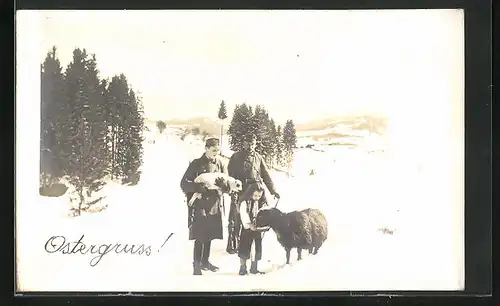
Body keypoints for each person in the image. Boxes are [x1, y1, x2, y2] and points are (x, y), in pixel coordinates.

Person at [226, 133, 280, 254]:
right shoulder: (236, 157)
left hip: (255, 193)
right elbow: (230, 176)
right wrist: (233, 190)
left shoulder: (258, 158)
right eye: (248, 143)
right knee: (236, 218)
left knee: (254, 217)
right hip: (240, 191)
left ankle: (250, 243)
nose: (250, 146)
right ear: (244, 143)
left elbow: (265, 175)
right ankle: (232, 244)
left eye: (253, 143)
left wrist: (273, 190)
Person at [180, 137, 226, 275]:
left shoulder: (220, 164)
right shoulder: (196, 164)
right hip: (200, 204)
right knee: (200, 234)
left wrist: (225, 186)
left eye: (217, 150)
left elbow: (228, 184)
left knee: (210, 234)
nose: (215, 153)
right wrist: (197, 187)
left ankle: (205, 262)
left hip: (214, 204)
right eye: (213, 150)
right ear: (206, 148)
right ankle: (197, 265)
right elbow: (184, 184)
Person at [237, 183, 269, 275]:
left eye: (259, 196)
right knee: (245, 247)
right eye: (255, 195)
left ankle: (254, 267)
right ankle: (243, 268)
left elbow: (265, 213)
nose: (257, 197)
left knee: (257, 248)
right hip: (247, 229)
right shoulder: (245, 202)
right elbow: (244, 215)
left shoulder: (261, 203)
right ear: (250, 193)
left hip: (258, 229)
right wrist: (249, 224)